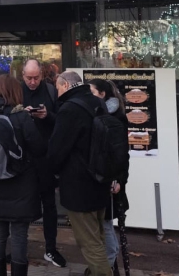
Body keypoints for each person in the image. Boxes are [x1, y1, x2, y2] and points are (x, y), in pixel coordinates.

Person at [0, 75, 47, 276]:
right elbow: (38, 147)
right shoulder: (21, 117)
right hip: (21, 182)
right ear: (16, 92)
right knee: (19, 233)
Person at [47, 71, 112, 276]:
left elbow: (57, 149)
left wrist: (52, 171)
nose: (57, 92)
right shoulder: (98, 102)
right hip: (100, 180)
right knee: (98, 236)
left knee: (90, 243)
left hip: (78, 186)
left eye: (57, 88)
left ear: (65, 85)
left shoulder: (69, 109)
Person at [20, 59, 67, 268]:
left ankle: (51, 248)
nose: (32, 82)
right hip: (23, 158)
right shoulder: (16, 91)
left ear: (41, 75)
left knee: (49, 205)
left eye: (36, 77)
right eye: (28, 78)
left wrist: (47, 115)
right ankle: (20, 250)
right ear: (22, 76)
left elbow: (62, 122)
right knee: (21, 206)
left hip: (45, 158)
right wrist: (22, 115)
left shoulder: (50, 91)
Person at [87, 78, 130, 275]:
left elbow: (121, 154)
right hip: (104, 178)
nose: (89, 96)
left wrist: (119, 180)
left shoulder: (114, 118)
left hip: (109, 180)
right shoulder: (102, 114)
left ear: (102, 94)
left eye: (92, 92)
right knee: (102, 225)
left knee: (105, 225)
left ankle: (103, 267)